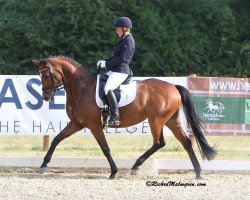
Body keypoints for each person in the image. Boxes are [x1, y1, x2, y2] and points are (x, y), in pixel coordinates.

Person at [97, 16, 135, 125]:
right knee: (101, 81)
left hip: (121, 71)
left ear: (124, 29)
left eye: (117, 28)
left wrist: (107, 64)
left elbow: (122, 59)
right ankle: (105, 109)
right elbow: (115, 58)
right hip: (115, 70)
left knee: (108, 88)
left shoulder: (129, 40)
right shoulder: (123, 40)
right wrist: (104, 62)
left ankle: (115, 117)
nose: (116, 30)